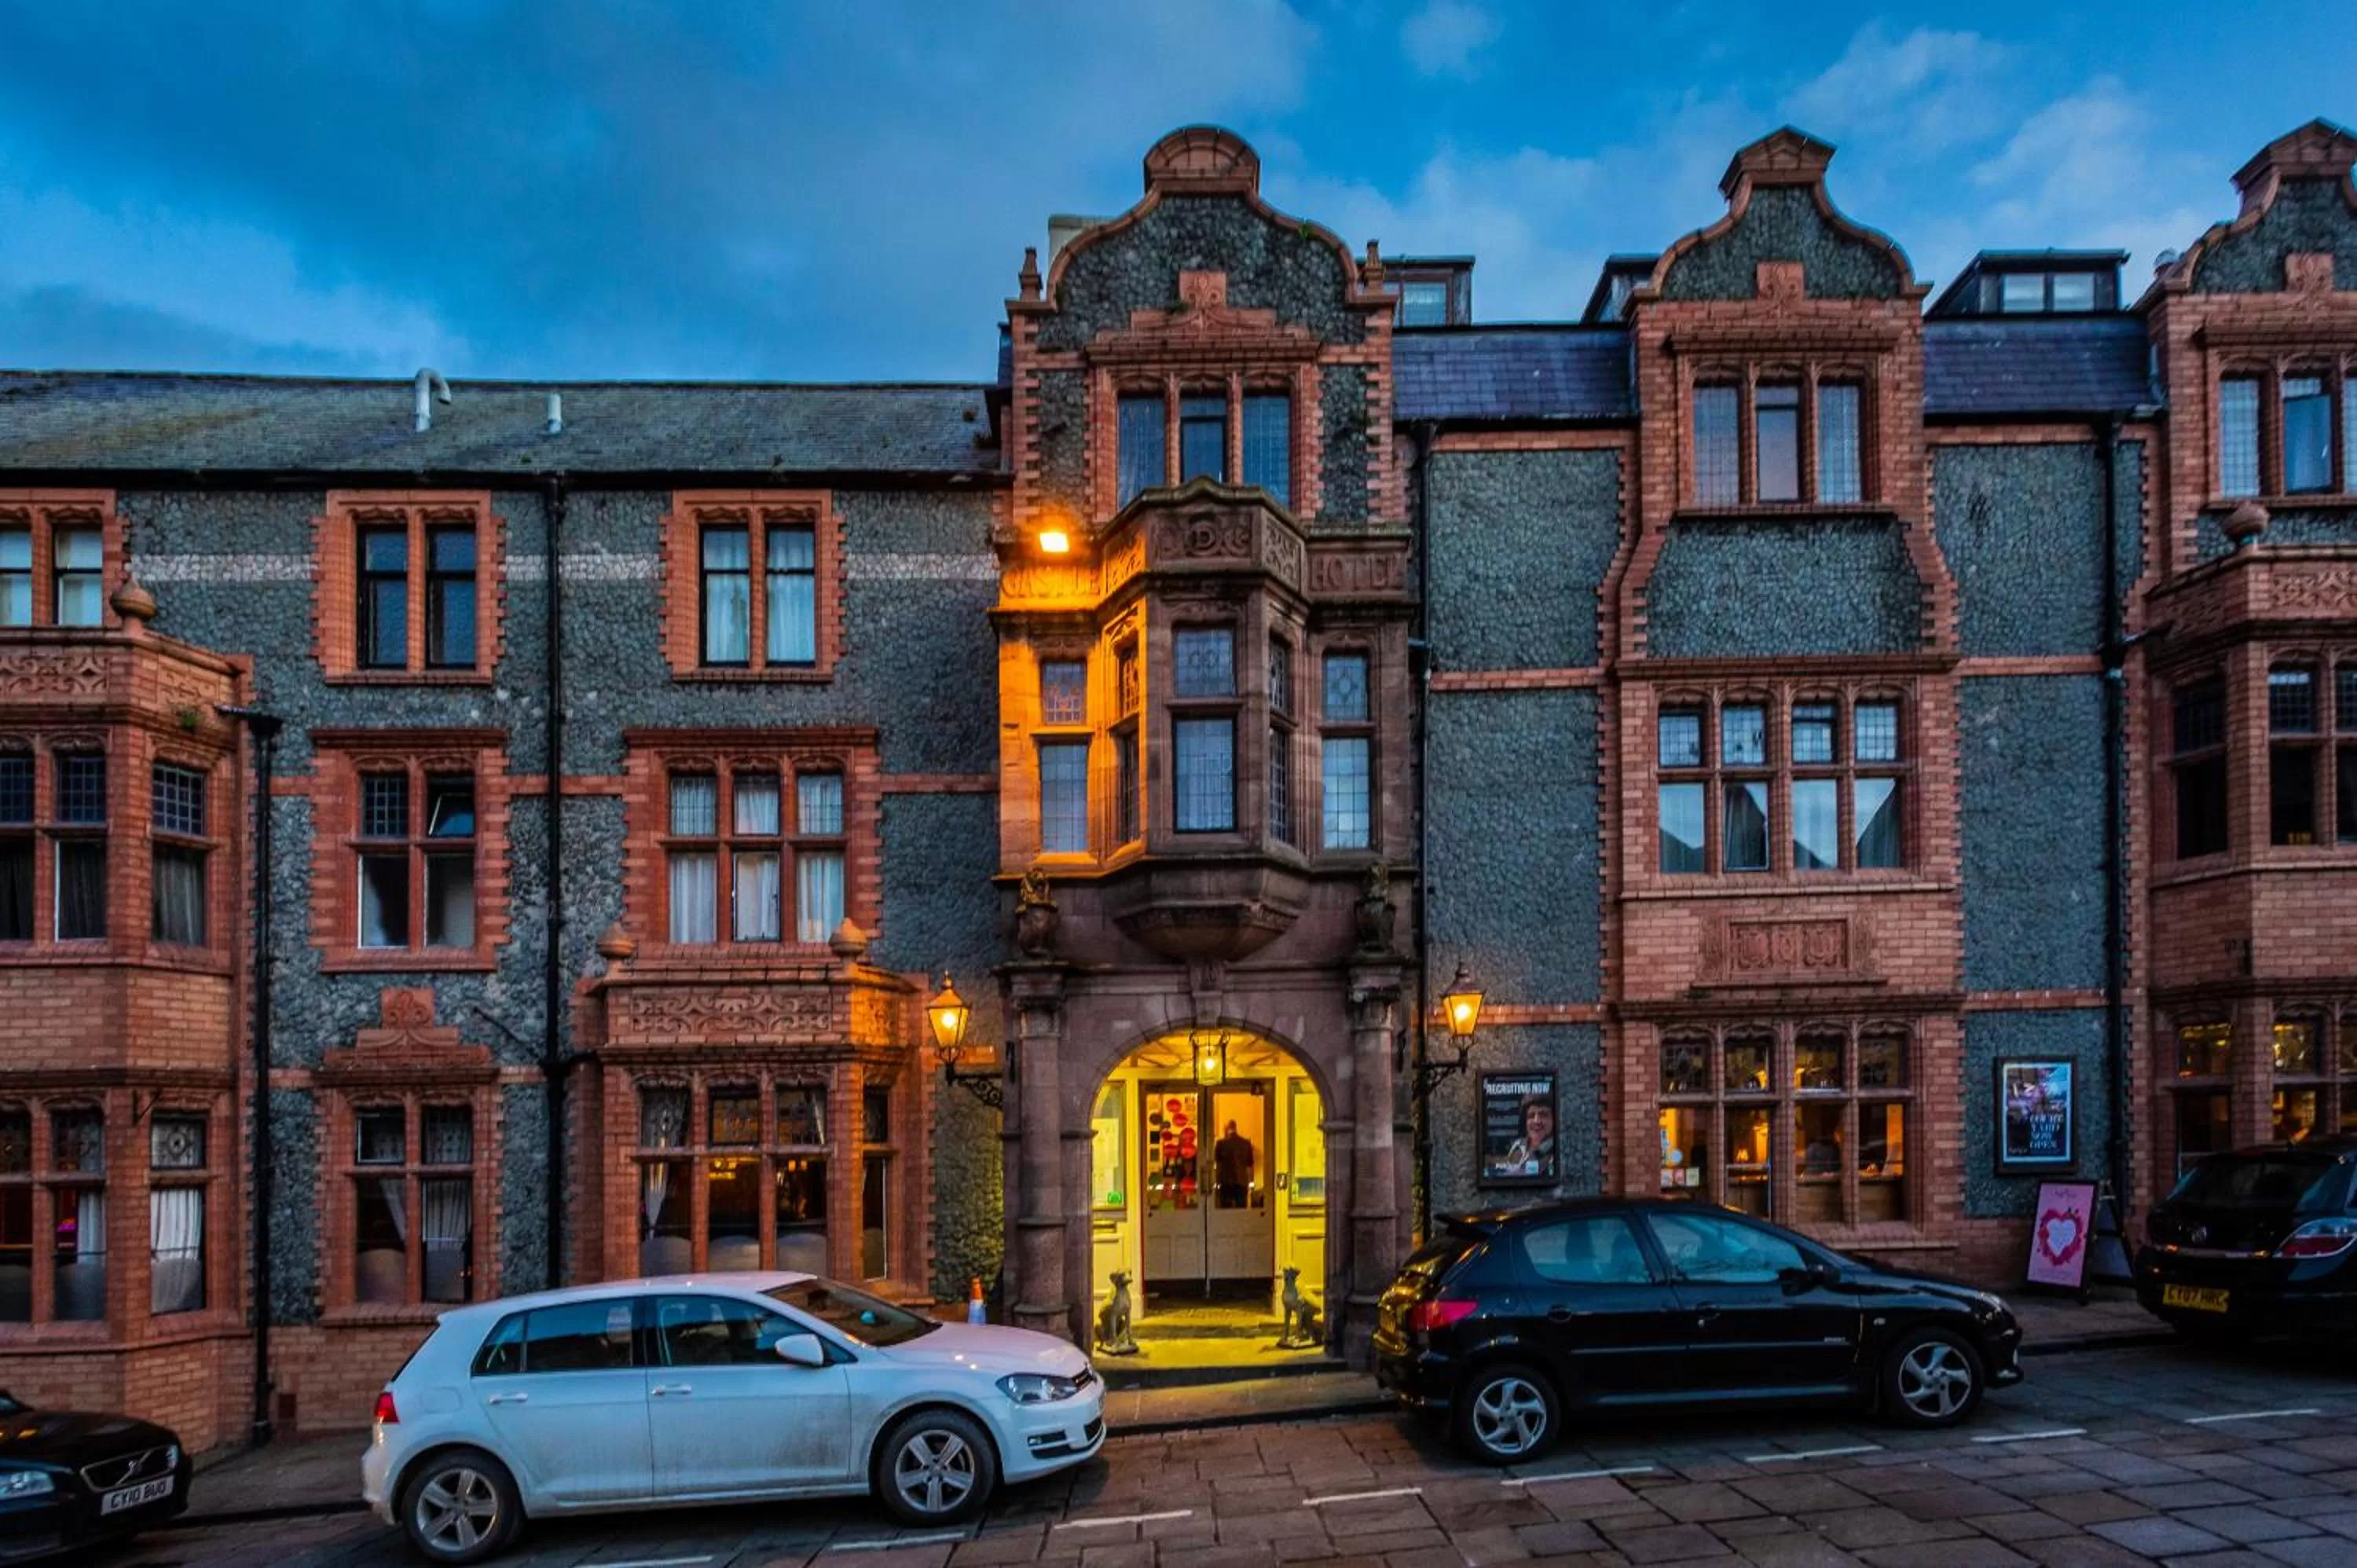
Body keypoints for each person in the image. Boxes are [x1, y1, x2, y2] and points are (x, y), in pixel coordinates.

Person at [1498, 1096, 1556, 1177]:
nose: (1537, 1121)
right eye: (1531, 1116)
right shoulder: (1518, 1145)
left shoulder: (1558, 1150)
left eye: (1543, 1115)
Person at [1213, 1119, 1255, 1207]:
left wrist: (1216, 1183)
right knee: (1240, 1210)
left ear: (1227, 1129)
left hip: (1226, 1183)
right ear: (1236, 1128)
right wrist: (1251, 1183)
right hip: (1241, 1182)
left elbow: (1218, 1165)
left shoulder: (1221, 1144)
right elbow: (1250, 1165)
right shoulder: (1246, 1144)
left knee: (1226, 1212)